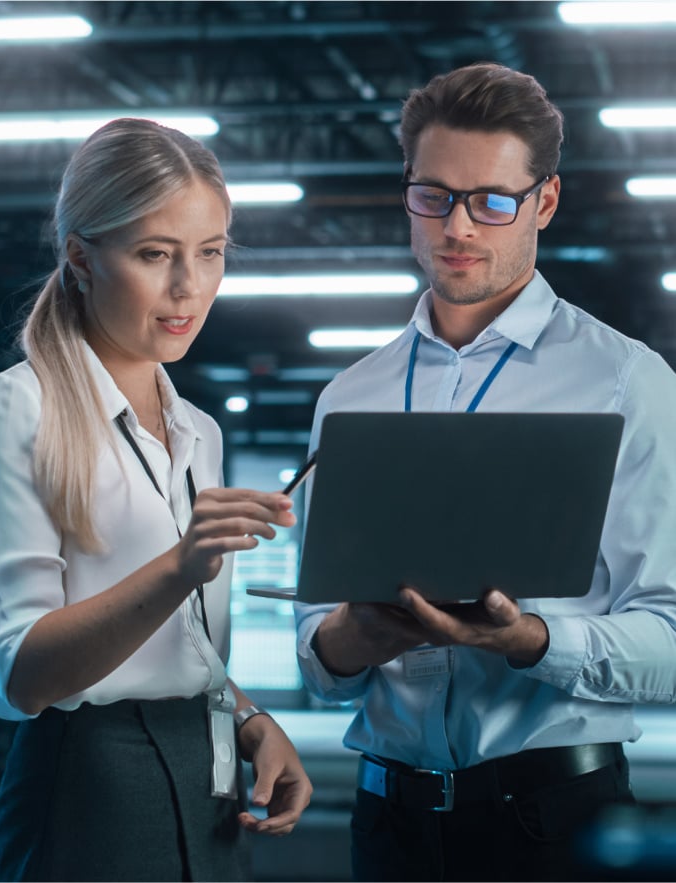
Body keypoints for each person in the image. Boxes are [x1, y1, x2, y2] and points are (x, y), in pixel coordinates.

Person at [295, 62, 676, 882]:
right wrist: (346, 642)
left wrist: (531, 641)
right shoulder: (349, 396)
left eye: (491, 201)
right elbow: (316, 657)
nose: (457, 227)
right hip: (386, 827)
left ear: (544, 200)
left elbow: (672, 638)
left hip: (552, 824)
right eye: (432, 195)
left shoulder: (625, 382)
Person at [0, 117, 312, 883]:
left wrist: (249, 719)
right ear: (82, 257)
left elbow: (180, 649)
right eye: (156, 255)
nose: (188, 287)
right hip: (87, 789)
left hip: (207, 774)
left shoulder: (200, 431)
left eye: (209, 254)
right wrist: (181, 564)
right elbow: (19, 674)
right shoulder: (19, 409)